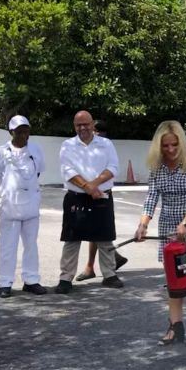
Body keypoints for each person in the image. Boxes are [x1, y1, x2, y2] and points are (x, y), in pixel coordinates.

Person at [134, 121, 186, 347]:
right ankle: (175, 325)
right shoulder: (157, 167)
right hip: (169, 225)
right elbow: (151, 197)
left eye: (174, 145)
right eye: (165, 146)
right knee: (173, 274)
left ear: (182, 143)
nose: (170, 150)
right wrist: (143, 224)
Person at [57, 111, 123, 292]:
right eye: (78, 125)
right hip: (76, 197)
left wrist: (94, 185)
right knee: (71, 239)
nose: (82, 128)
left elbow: (113, 167)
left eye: (86, 124)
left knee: (105, 237)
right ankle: (65, 278)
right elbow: (67, 170)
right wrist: (87, 187)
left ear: (93, 124)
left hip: (101, 195)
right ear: (74, 126)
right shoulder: (67, 145)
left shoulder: (106, 144)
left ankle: (109, 274)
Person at [0, 115, 47, 297]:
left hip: (30, 204)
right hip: (10, 207)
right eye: (20, 131)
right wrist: (10, 190)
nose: (24, 134)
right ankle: (4, 283)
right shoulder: (1, 151)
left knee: (31, 244)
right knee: (7, 245)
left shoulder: (36, 150)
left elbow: (37, 172)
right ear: (11, 132)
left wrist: (24, 188)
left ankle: (31, 280)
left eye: (26, 130)